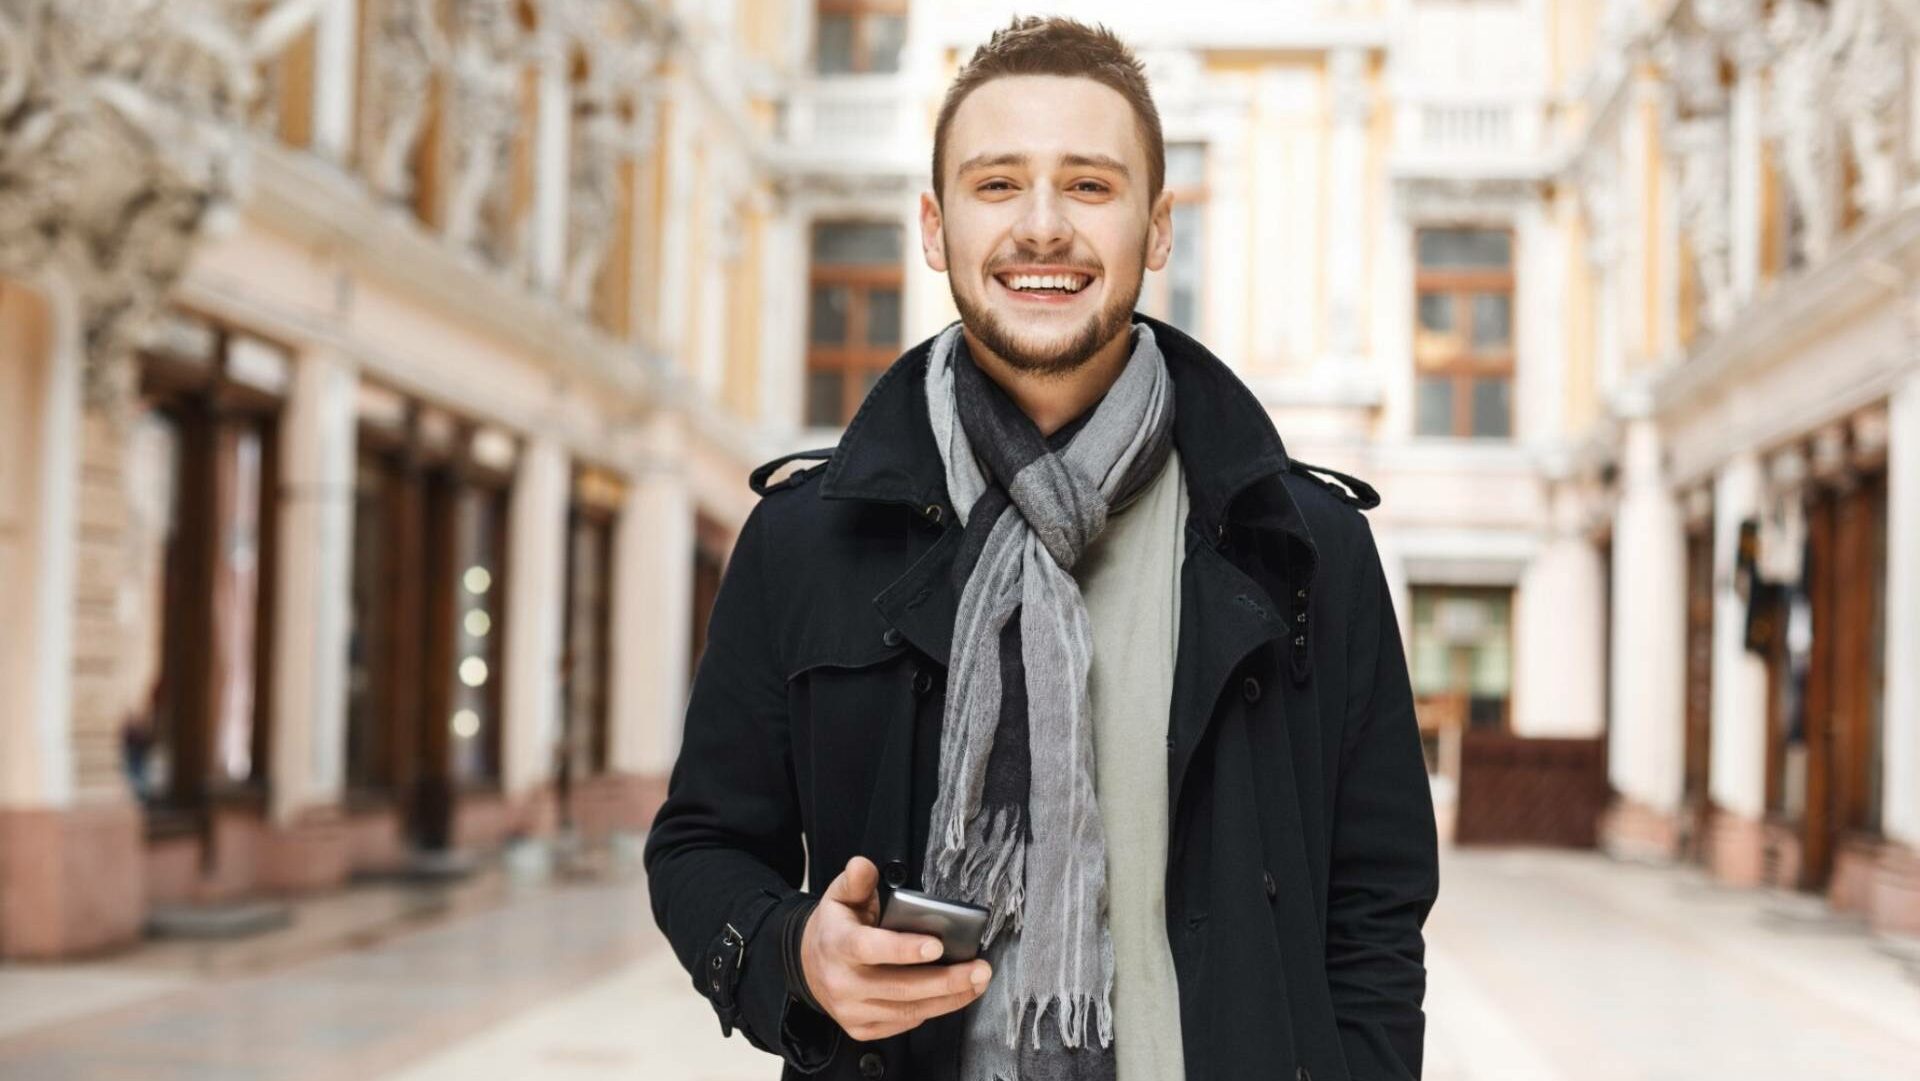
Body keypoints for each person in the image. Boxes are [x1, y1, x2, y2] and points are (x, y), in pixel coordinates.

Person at [645, 15, 1438, 1081]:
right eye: (998, 184)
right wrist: (795, 956)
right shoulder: (805, 538)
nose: (1044, 226)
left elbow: (1377, 902)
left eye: (1091, 185)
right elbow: (700, 848)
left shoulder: (1303, 546)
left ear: (1159, 229)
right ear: (936, 228)